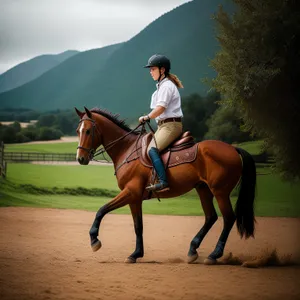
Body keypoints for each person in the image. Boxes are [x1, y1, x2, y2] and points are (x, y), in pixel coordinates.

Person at [139, 54, 184, 192]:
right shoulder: (159, 88)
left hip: (170, 126)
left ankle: (164, 182)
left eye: (152, 69)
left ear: (162, 70)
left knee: (151, 150)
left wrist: (147, 117)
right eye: (150, 69)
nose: (150, 72)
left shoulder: (166, 86)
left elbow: (160, 108)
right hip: (163, 126)